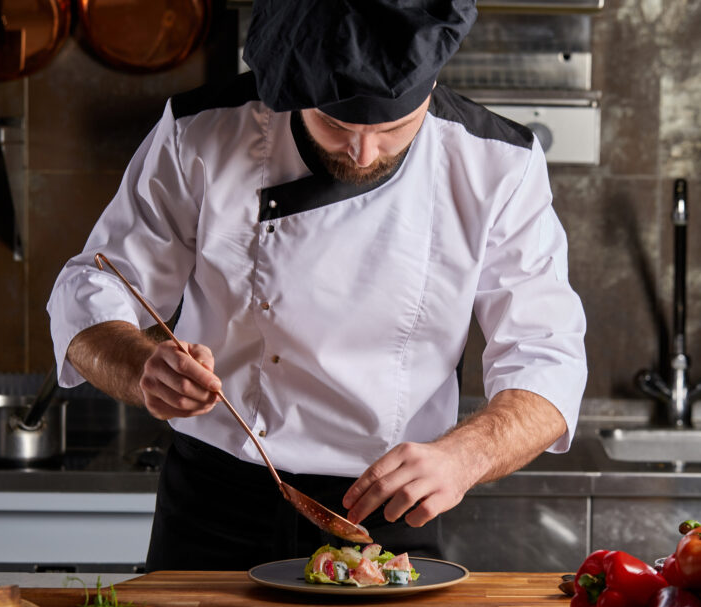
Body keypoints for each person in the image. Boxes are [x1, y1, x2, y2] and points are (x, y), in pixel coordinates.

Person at [47, 0, 587, 571]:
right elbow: (91, 288)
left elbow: (547, 358)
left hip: (384, 518)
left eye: (393, 129)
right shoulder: (200, 132)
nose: (362, 153)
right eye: (335, 124)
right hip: (214, 505)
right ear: (291, 84)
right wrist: (142, 366)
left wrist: (466, 455)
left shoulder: (498, 164)